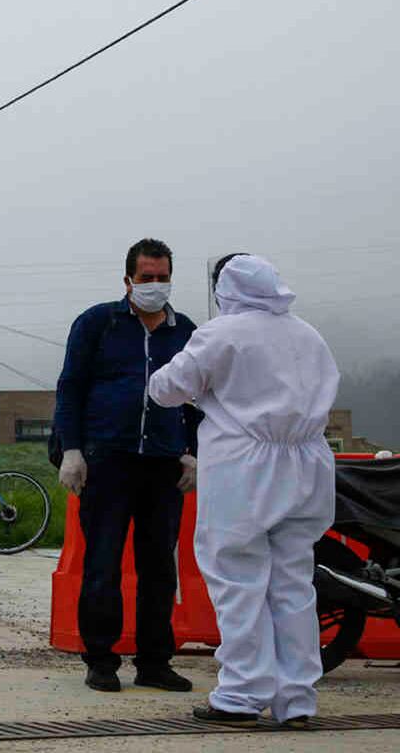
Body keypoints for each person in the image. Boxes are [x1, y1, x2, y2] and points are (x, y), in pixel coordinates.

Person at [148, 255, 339, 728]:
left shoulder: (223, 332)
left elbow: (166, 388)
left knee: (238, 577)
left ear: (224, 290)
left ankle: (241, 692)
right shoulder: (307, 334)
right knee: (294, 583)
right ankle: (296, 699)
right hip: (308, 463)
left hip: (245, 464)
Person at [53, 238, 201, 693]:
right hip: (106, 461)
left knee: (159, 568)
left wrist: (194, 449)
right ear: (128, 281)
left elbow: (201, 397)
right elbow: (70, 387)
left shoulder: (188, 332)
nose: (155, 286)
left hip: (163, 464)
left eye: (162, 278)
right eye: (146, 278)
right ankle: (101, 659)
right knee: (103, 564)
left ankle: (155, 662)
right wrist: (72, 450)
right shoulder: (98, 323)